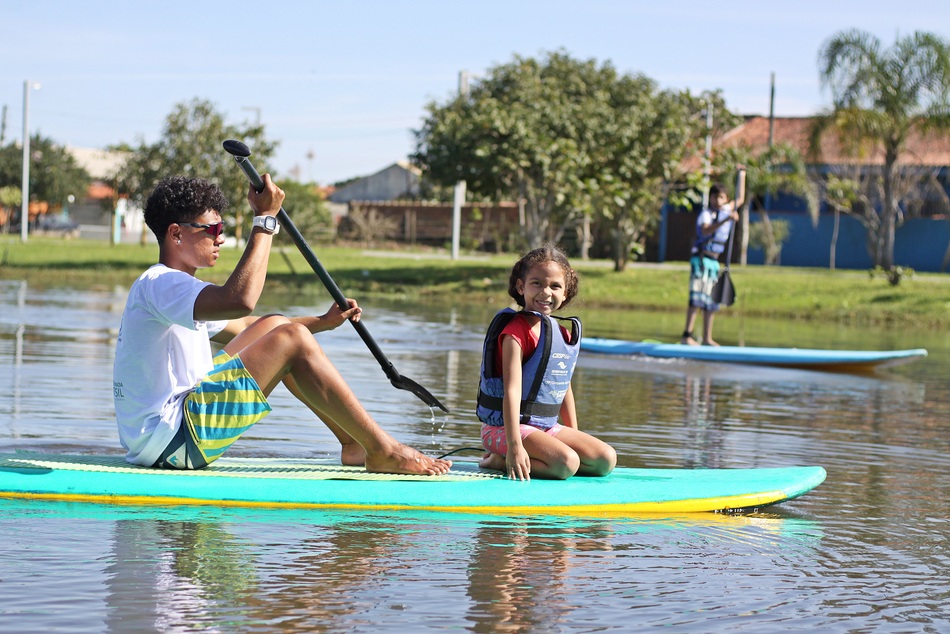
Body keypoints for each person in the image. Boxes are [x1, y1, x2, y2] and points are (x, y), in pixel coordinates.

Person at [112, 174, 451, 476]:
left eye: (222, 229)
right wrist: (265, 221)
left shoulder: (171, 288)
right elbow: (240, 300)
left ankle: (353, 444)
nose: (220, 239)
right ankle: (383, 450)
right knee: (291, 338)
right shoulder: (162, 283)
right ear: (175, 233)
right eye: (212, 230)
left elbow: (246, 324)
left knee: (277, 326)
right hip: (172, 443)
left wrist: (322, 322)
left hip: (172, 435)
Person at [475, 245, 617, 480]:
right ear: (521, 287)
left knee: (605, 460)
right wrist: (514, 447)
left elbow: (563, 388)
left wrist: (574, 436)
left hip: (546, 428)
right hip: (503, 430)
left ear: (566, 292)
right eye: (537, 283)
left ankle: (549, 458)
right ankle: (499, 461)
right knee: (566, 464)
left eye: (555, 286)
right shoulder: (515, 333)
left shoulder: (560, 334)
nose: (546, 292)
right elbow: (511, 391)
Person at [681, 167, 746, 346]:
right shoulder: (706, 214)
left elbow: (740, 198)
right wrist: (727, 220)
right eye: (714, 197)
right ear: (710, 198)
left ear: (725, 199)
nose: (717, 201)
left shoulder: (726, 210)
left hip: (714, 262)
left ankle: (707, 338)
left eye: (721, 197)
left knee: (711, 301)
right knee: (697, 298)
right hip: (701, 260)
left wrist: (742, 174)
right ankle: (686, 336)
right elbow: (705, 230)